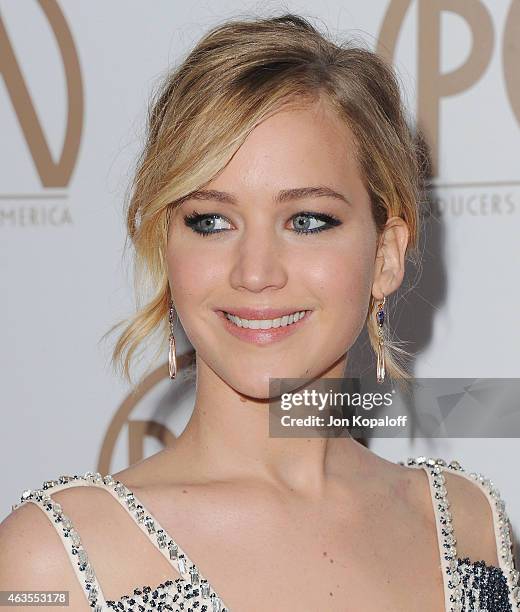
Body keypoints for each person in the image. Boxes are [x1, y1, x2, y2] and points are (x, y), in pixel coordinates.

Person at [1, 13, 518, 612]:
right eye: (212, 222)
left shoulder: (464, 525)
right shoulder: (57, 560)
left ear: (385, 255)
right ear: (167, 250)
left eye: (306, 221)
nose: (254, 272)